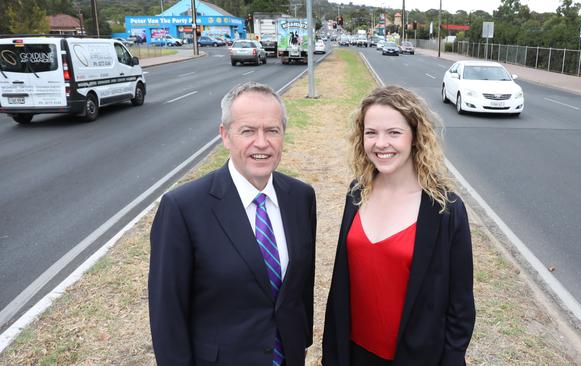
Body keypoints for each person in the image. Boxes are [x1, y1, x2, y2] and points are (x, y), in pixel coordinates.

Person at [149, 81, 317, 366]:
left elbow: (301, 288)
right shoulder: (183, 208)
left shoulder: (301, 197)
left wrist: (301, 342)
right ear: (225, 136)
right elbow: (168, 314)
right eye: (248, 131)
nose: (262, 143)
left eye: (272, 130)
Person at [322, 85, 475, 366]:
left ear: (415, 137)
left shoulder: (445, 209)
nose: (381, 144)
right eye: (372, 133)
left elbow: (461, 306)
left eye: (394, 132)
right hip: (353, 354)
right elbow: (342, 283)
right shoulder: (357, 193)